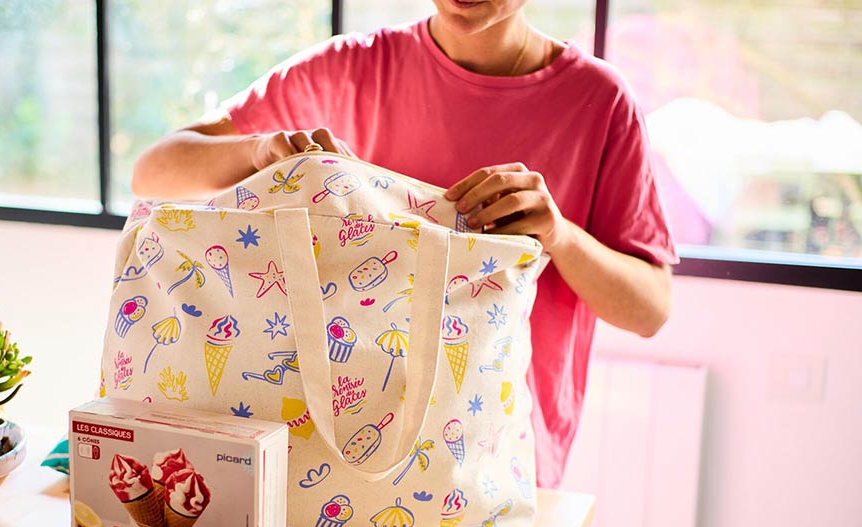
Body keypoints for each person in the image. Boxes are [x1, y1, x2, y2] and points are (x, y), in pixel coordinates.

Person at [131, 0, 678, 488]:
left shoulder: (601, 102)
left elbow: (649, 308)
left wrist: (560, 234)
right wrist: (257, 152)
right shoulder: (349, 69)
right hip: (334, 453)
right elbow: (153, 172)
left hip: (495, 464)